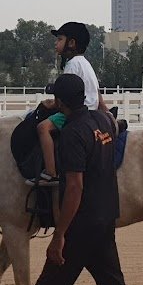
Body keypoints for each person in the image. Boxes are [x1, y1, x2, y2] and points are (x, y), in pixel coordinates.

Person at [0, 73, 143, 285]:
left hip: (80, 226)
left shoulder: (71, 135)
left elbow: (74, 187)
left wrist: (59, 235)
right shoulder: (103, 122)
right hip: (105, 219)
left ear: (60, 102)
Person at [31, 21, 108, 185]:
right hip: (92, 112)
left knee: (42, 128)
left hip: (76, 112)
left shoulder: (72, 65)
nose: (56, 43)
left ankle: (51, 172)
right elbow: (97, 92)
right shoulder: (85, 63)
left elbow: (66, 97)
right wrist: (106, 112)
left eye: (59, 39)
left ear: (71, 43)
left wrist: (50, 104)